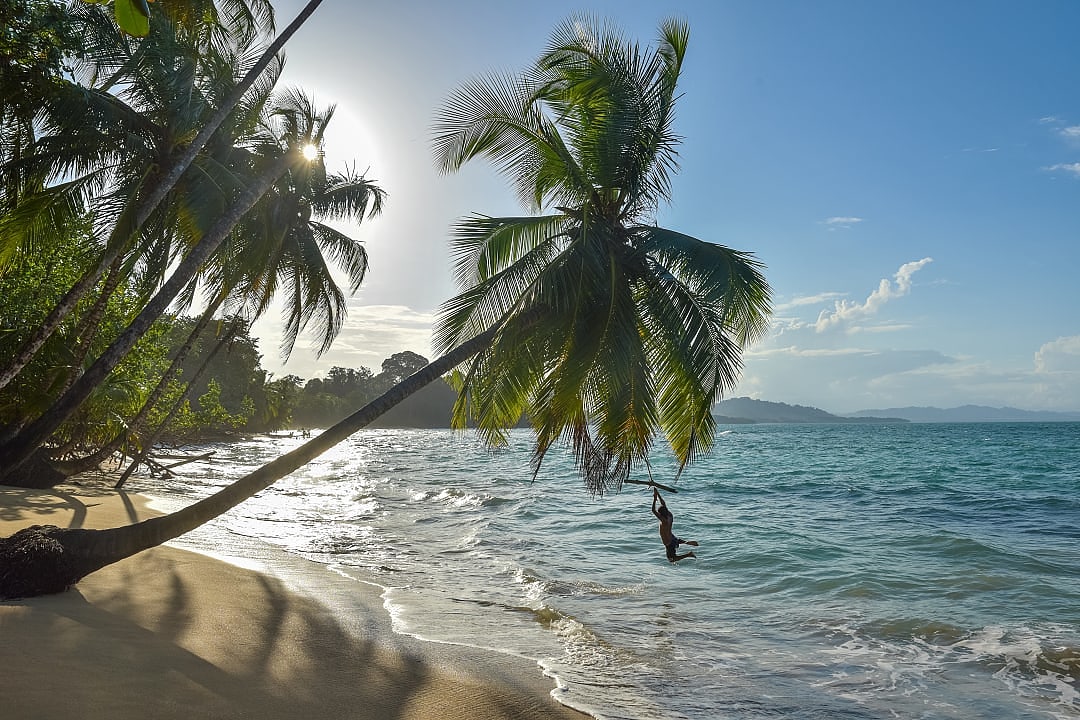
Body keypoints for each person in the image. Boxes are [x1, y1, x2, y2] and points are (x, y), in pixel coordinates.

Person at [651, 487, 698, 562]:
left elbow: (653, 510)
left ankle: (689, 554)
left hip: (668, 542)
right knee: (675, 541)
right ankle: (686, 542)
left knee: (671, 559)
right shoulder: (670, 515)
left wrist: (654, 499)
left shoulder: (664, 521)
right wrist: (657, 494)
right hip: (672, 537)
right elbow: (663, 503)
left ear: (661, 514)